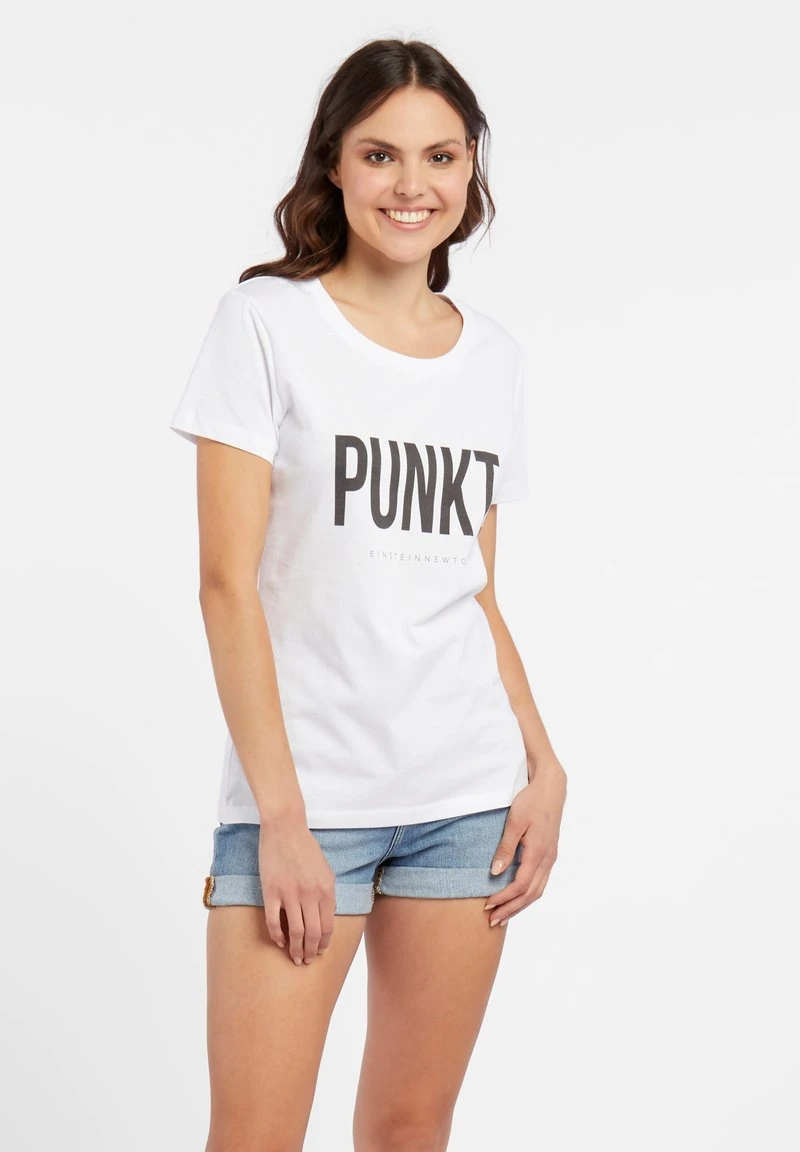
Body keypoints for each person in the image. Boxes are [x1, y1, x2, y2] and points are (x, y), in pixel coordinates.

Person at [169, 35, 567, 1152]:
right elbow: (225, 587)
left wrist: (541, 764)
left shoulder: (491, 358)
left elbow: (473, 590)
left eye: (441, 156)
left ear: (470, 171)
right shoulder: (263, 323)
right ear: (334, 165)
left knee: (408, 1128)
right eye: (380, 154)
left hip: (465, 800)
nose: (411, 185)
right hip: (307, 808)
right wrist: (281, 821)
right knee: (254, 1136)